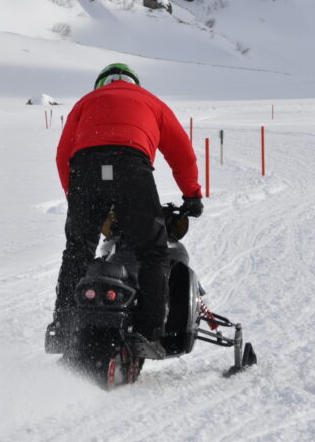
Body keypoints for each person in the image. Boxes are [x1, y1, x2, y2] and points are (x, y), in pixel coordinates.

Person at [49, 63, 203, 357]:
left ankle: (64, 327)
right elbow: (182, 154)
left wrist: (77, 200)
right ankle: (148, 332)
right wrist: (192, 195)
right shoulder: (151, 101)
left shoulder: (85, 102)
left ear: (101, 84)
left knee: (77, 250)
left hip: (85, 168)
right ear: (134, 83)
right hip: (130, 164)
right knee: (153, 251)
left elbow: (62, 156)